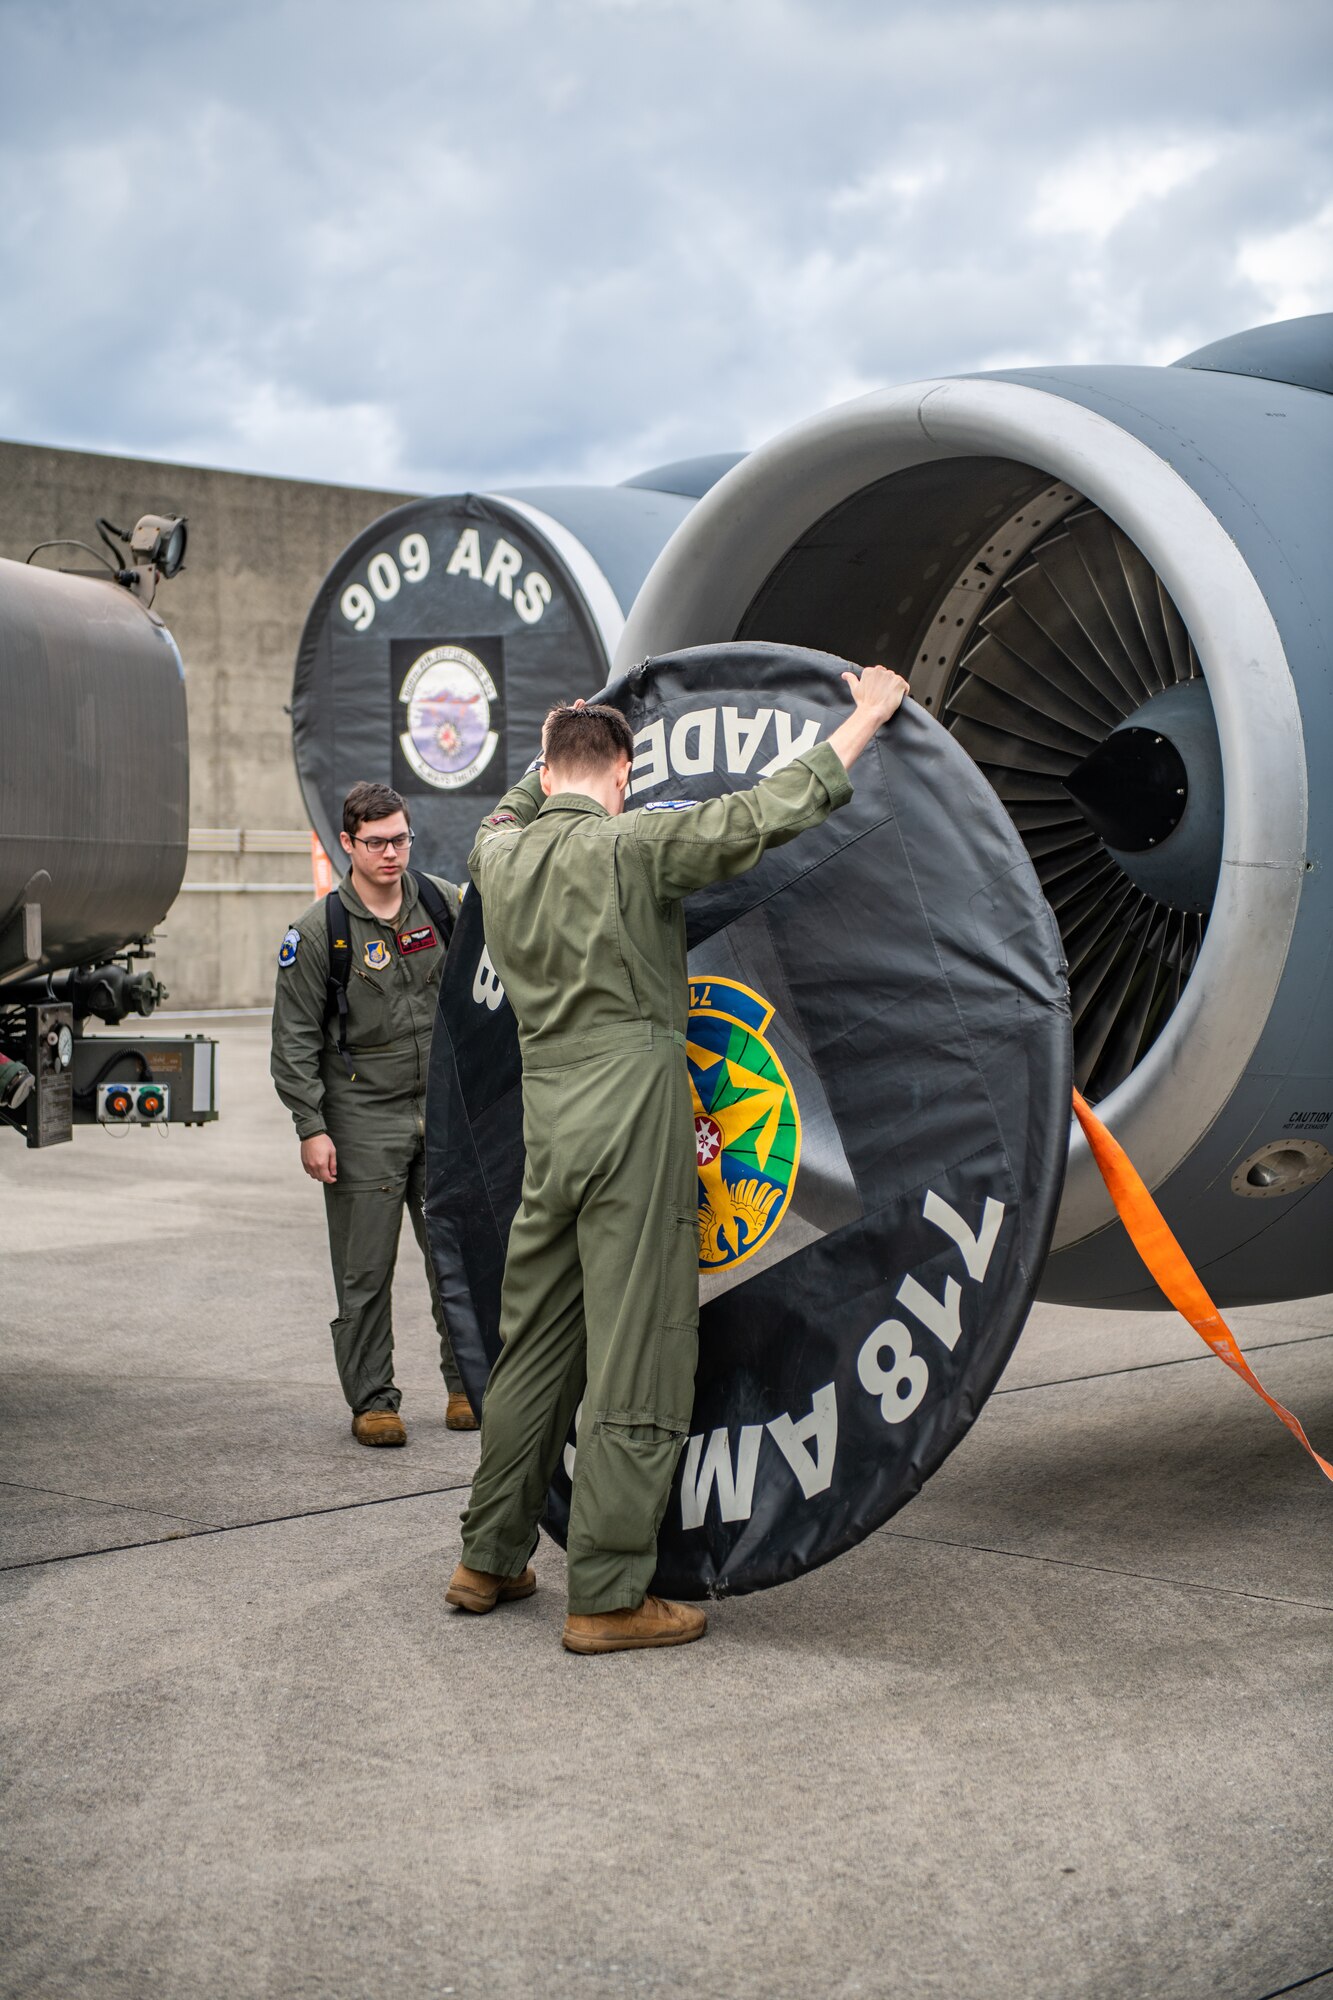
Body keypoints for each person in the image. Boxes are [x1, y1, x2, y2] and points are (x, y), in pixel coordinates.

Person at [446, 663, 911, 1652]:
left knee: (532, 1343)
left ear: (546, 767)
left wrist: (543, 762)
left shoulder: (497, 857)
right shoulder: (635, 844)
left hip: (550, 1119)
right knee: (641, 1341)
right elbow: (762, 812)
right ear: (620, 772)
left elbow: (504, 810)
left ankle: (487, 1555)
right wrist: (866, 715)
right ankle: (608, 1593)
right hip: (631, 1111)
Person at [271, 780, 473, 1446]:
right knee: (364, 1270)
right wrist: (312, 1127)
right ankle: (373, 1400)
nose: (392, 853)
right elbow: (294, 1039)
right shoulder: (318, 932)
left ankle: (467, 1383)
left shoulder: (443, 905)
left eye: (401, 838)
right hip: (361, 1117)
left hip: (443, 1111)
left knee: (458, 1259)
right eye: (377, 842)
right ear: (348, 843)